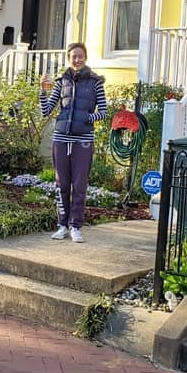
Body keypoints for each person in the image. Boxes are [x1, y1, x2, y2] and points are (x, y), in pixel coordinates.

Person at [39, 43, 107, 243]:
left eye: (80, 56)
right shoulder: (62, 82)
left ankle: (76, 226)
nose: (77, 60)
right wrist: (43, 92)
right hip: (61, 139)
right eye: (73, 57)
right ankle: (62, 225)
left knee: (79, 184)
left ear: (85, 57)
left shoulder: (95, 82)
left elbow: (103, 112)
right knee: (62, 184)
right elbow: (46, 110)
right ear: (69, 59)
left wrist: (86, 119)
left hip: (83, 139)